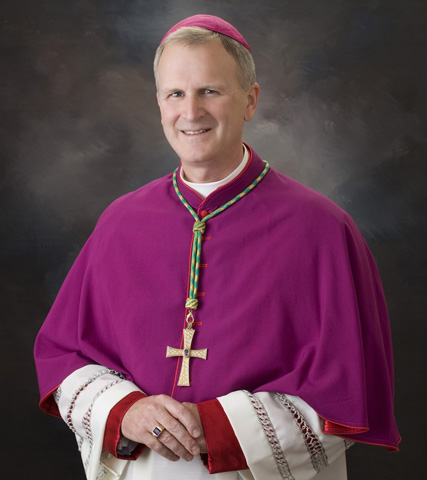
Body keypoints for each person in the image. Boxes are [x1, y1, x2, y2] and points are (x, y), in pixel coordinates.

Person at [34, 14, 400, 480]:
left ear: (250, 101)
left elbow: (349, 393)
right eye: (175, 94)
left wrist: (216, 427)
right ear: (159, 105)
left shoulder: (323, 230)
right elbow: (64, 358)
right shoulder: (119, 223)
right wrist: (126, 411)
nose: (191, 112)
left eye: (210, 91)